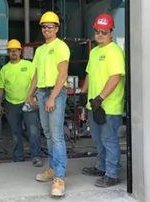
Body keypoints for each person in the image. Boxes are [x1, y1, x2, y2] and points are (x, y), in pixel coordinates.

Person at [26, 11, 70, 197]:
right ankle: (52, 169)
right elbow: (36, 74)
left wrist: (52, 97)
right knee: (49, 134)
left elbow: (62, 74)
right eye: (44, 27)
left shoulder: (61, 47)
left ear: (57, 28)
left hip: (55, 93)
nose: (46, 30)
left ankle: (59, 178)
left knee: (57, 136)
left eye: (50, 27)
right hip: (43, 93)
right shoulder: (40, 50)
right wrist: (30, 94)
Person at [80, 13, 125, 188]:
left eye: (104, 32)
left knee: (109, 140)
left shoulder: (114, 52)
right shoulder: (94, 52)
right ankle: (101, 167)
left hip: (109, 106)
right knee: (98, 139)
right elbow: (90, 74)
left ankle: (112, 174)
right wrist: (83, 93)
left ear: (111, 32)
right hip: (94, 105)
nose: (100, 34)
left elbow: (115, 77)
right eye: (97, 31)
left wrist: (101, 98)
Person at [0, 39, 43, 167]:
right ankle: (18, 157)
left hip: (29, 103)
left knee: (33, 130)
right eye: (10, 51)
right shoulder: (5, 70)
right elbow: (0, 86)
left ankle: (36, 156)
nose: (13, 53)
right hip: (11, 105)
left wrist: (33, 97)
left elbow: (37, 81)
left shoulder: (29, 65)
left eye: (15, 50)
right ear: (8, 53)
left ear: (20, 52)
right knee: (16, 133)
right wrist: (0, 101)